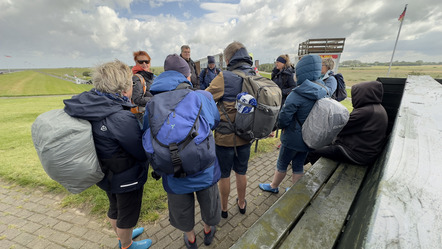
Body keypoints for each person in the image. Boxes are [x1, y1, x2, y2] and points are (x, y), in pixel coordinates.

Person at [64, 60, 152, 249]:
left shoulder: (93, 105)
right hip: (126, 176)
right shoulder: (120, 117)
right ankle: (127, 244)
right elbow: (139, 149)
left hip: (104, 171)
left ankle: (122, 236)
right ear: (122, 86)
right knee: (127, 214)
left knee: (114, 207)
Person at [142, 54, 221, 249]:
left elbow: (147, 133)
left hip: (171, 169)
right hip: (204, 166)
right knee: (209, 201)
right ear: (187, 76)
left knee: (180, 207)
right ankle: (208, 230)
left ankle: (191, 238)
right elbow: (214, 121)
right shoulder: (202, 96)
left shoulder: (151, 104)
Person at [259, 54, 328, 194]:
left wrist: (281, 126)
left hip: (292, 137)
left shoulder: (298, 93)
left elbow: (284, 117)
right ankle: (293, 191)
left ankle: (273, 186)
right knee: (298, 164)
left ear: (301, 71)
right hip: (309, 136)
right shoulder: (323, 89)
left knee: (282, 163)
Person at [205, 41, 255, 219]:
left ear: (228, 58)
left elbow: (205, 97)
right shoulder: (253, 75)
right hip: (246, 134)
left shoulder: (224, 77)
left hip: (225, 137)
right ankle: (242, 203)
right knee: (241, 171)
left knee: (224, 174)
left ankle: (224, 209)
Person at [305, 81, 388, 166]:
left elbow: (339, 128)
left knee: (313, 151)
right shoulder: (375, 108)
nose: (353, 99)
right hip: (363, 150)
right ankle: (299, 165)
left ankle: (315, 172)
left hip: (356, 154)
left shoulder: (367, 112)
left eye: (355, 96)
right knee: (323, 145)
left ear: (363, 95)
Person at [131, 51, 154, 124]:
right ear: (136, 63)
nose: (144, 64)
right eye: (141, 62)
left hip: (151, 113)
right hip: (142, 116)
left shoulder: (151, 76)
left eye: (146, 61)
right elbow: (137, 99)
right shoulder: (137, 78)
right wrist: (155, 99)